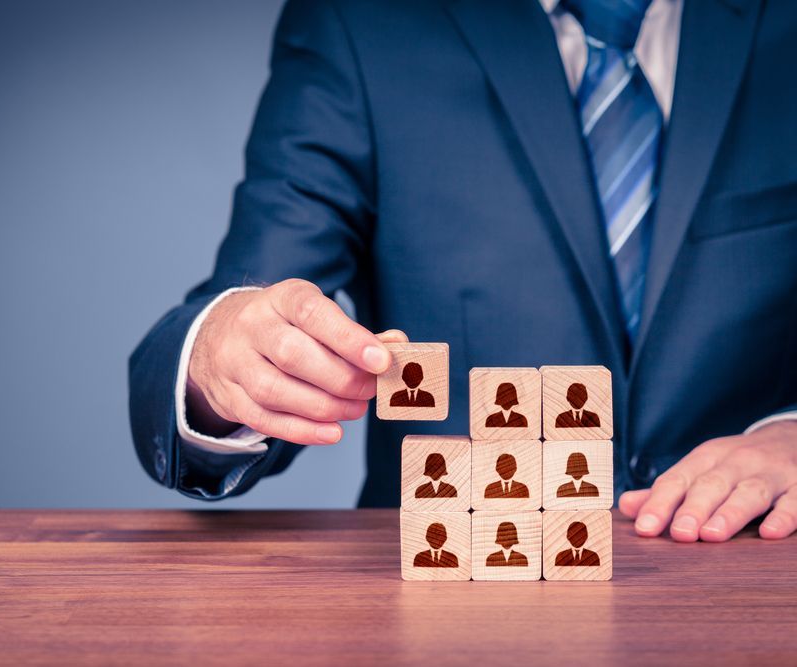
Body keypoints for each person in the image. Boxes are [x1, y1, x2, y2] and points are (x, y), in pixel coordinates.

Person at [129, 0, 797, 543]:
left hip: (756, 576)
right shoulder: (359, 23)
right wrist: (222, 357)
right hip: (451, 604)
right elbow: (254, 301)